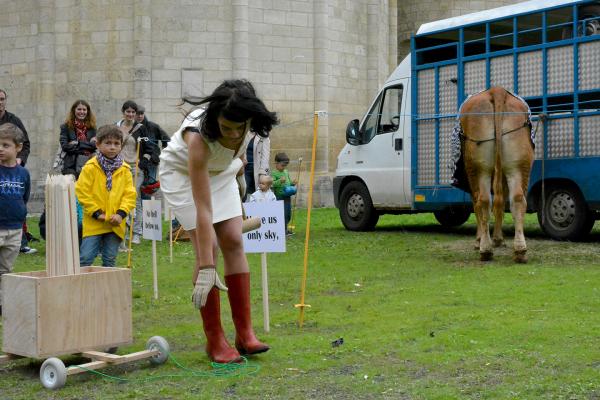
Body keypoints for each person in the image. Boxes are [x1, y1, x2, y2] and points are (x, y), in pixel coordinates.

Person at [159, 79, 278, 364]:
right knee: (209, 246)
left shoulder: (246, 122)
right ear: (215, 119)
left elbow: (238, 152)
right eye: (227, 128)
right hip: (183, 176)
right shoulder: (198, 138)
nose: (234, 134)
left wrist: (238, 171)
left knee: (234, 239)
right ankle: (215, 340)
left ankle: (245, 334)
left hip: (221, 174)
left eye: (240, 128)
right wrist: (206, 267)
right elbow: (203, 208)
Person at [76, 125, 137, 267]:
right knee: (85, 258)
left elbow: (129, 195)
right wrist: (97, 213)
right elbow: (82, 192)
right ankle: (82, 281)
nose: (112, 147)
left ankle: (107, 282)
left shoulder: (125, 170)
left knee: (109, 259)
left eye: (116, 143)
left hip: (115, 223)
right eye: (108, 143)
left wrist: (121, 214)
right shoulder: (90, 168)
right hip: (94, 222)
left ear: (121, 146)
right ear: (98, 144)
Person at [116, 100, 158, 245]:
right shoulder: (116, 127)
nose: (130, 114)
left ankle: (136, 233)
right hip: (119, 167)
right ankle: (124, 230)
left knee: (135, 198)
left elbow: (149, 148)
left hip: (135, 168)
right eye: (128, 111)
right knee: (121, 198)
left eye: (133, 112)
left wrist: (143, 161)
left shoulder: (141, 128)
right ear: (123, 112)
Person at [0, 123, 30, 315]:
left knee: (5, 269)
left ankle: (3, 303)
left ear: (18, 147)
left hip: (15, 229)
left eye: (5, 145)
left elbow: (24, 197)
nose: (0, 149)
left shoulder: (23, 173)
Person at [0, 89, 34, 254]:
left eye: (2, 99)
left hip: (13, 167)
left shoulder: (14, 121)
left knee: (15, 200)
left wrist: (19, 159)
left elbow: (25, 143)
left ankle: (22, 241)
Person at [135, 105, 170, 199]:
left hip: (151, 162)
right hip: (136, 161)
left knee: (148, 187)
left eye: (141, 114)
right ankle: (138, 208)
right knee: (135, 187)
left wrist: (163, 155)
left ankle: (146, 208)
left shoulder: (153, 126)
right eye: (137, 114)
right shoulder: (131, 127)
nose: (139, 116)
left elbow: (166, 139)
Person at [59, 99, 97, 178]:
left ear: (87, 111)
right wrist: (87, 145)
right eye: (79, 109)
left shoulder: (92, 127)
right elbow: (65, 146)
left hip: (89, 163)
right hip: (71, 165)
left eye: (84, 109)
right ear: (74, 110)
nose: (82, 112)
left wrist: (77, 143)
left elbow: (95, 146)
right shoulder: (66, 127)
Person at [271, 152, 297, 235]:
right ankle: (282, 230)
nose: (284, 167)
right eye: (282, 165)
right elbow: (272, 184)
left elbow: (288, 183)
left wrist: (292, 184)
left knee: (288, 214)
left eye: (285, 166)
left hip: (287, 197)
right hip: (279, 197)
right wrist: (279, 181)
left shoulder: (286, 172)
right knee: (282, 214)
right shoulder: (274, 173)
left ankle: (285, 228)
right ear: (276, 163)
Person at [243, 131, 270, 200]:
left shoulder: (264, 135)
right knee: (243, 191)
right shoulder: (245, 132)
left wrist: (263, 174)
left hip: (258, 170)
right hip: (244, 169)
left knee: (259, 195)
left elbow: (265, 156)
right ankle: (242, 206)